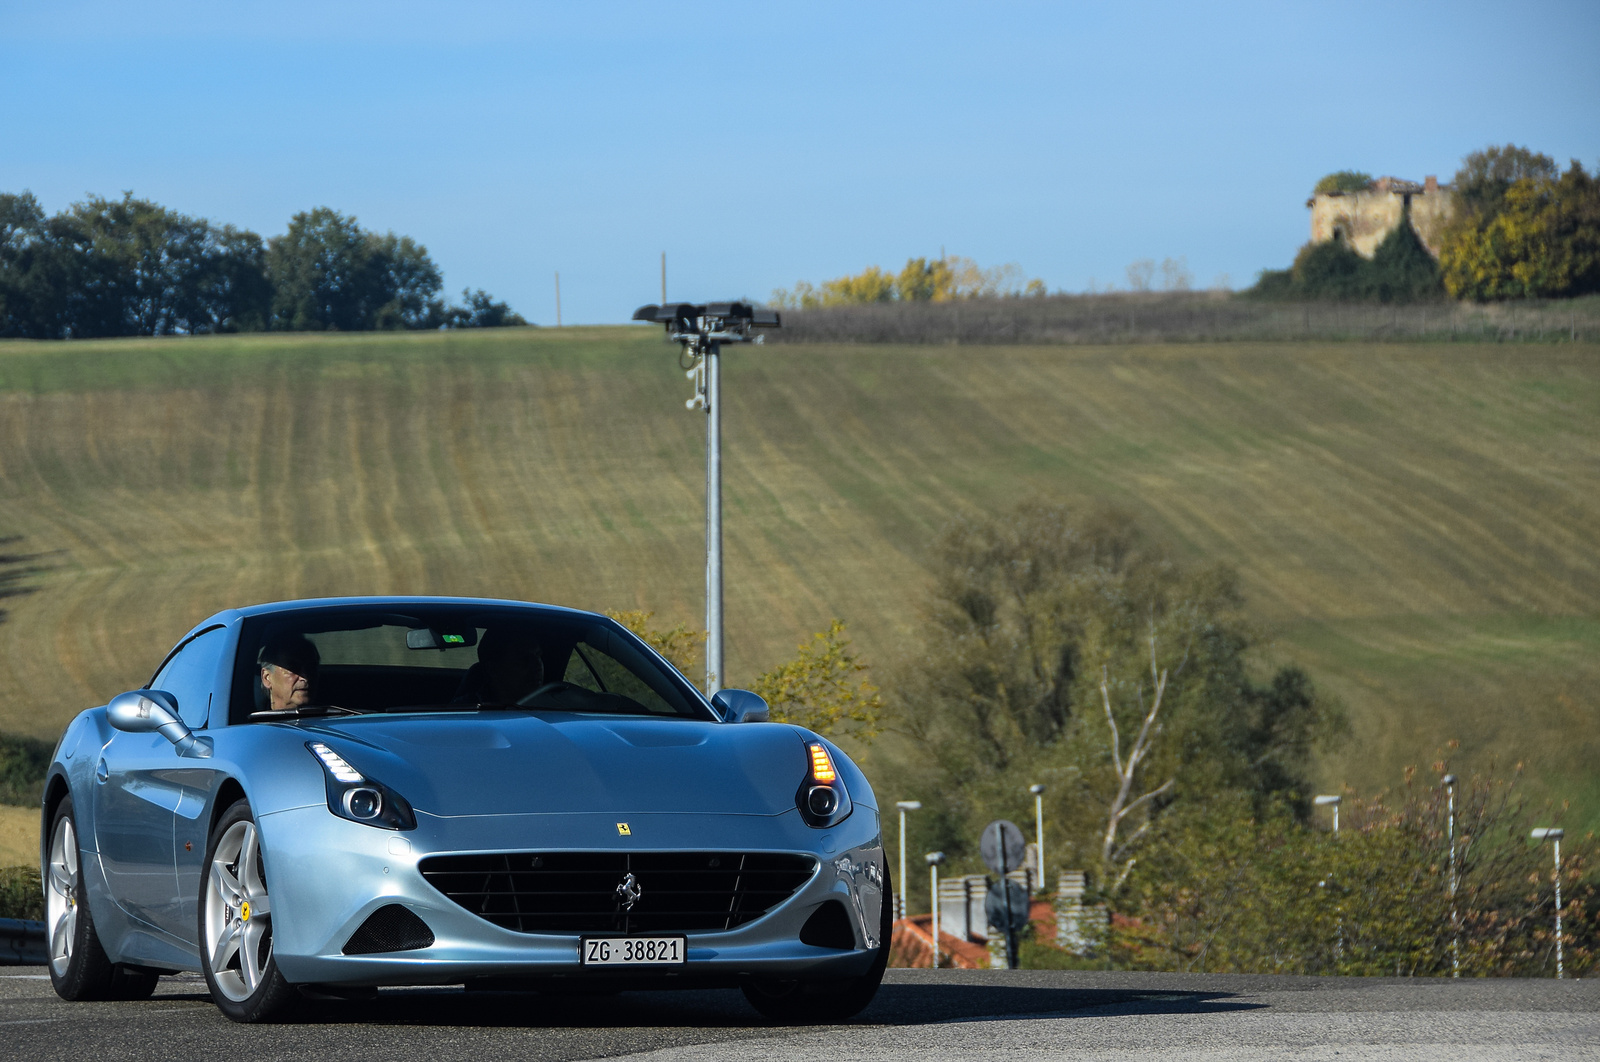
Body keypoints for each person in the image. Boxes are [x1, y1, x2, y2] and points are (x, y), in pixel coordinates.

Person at [452, 625, 546, 705]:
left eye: (538, 655)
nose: (536, 665)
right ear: (493, 669)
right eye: (523, 658)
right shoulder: (465, 712)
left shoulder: (553, 706)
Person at [257, 632, 320, 713]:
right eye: (293, 668)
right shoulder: (249, 723)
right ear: (267, 678)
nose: (305, 677)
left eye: (311, 668)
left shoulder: (334, 718)